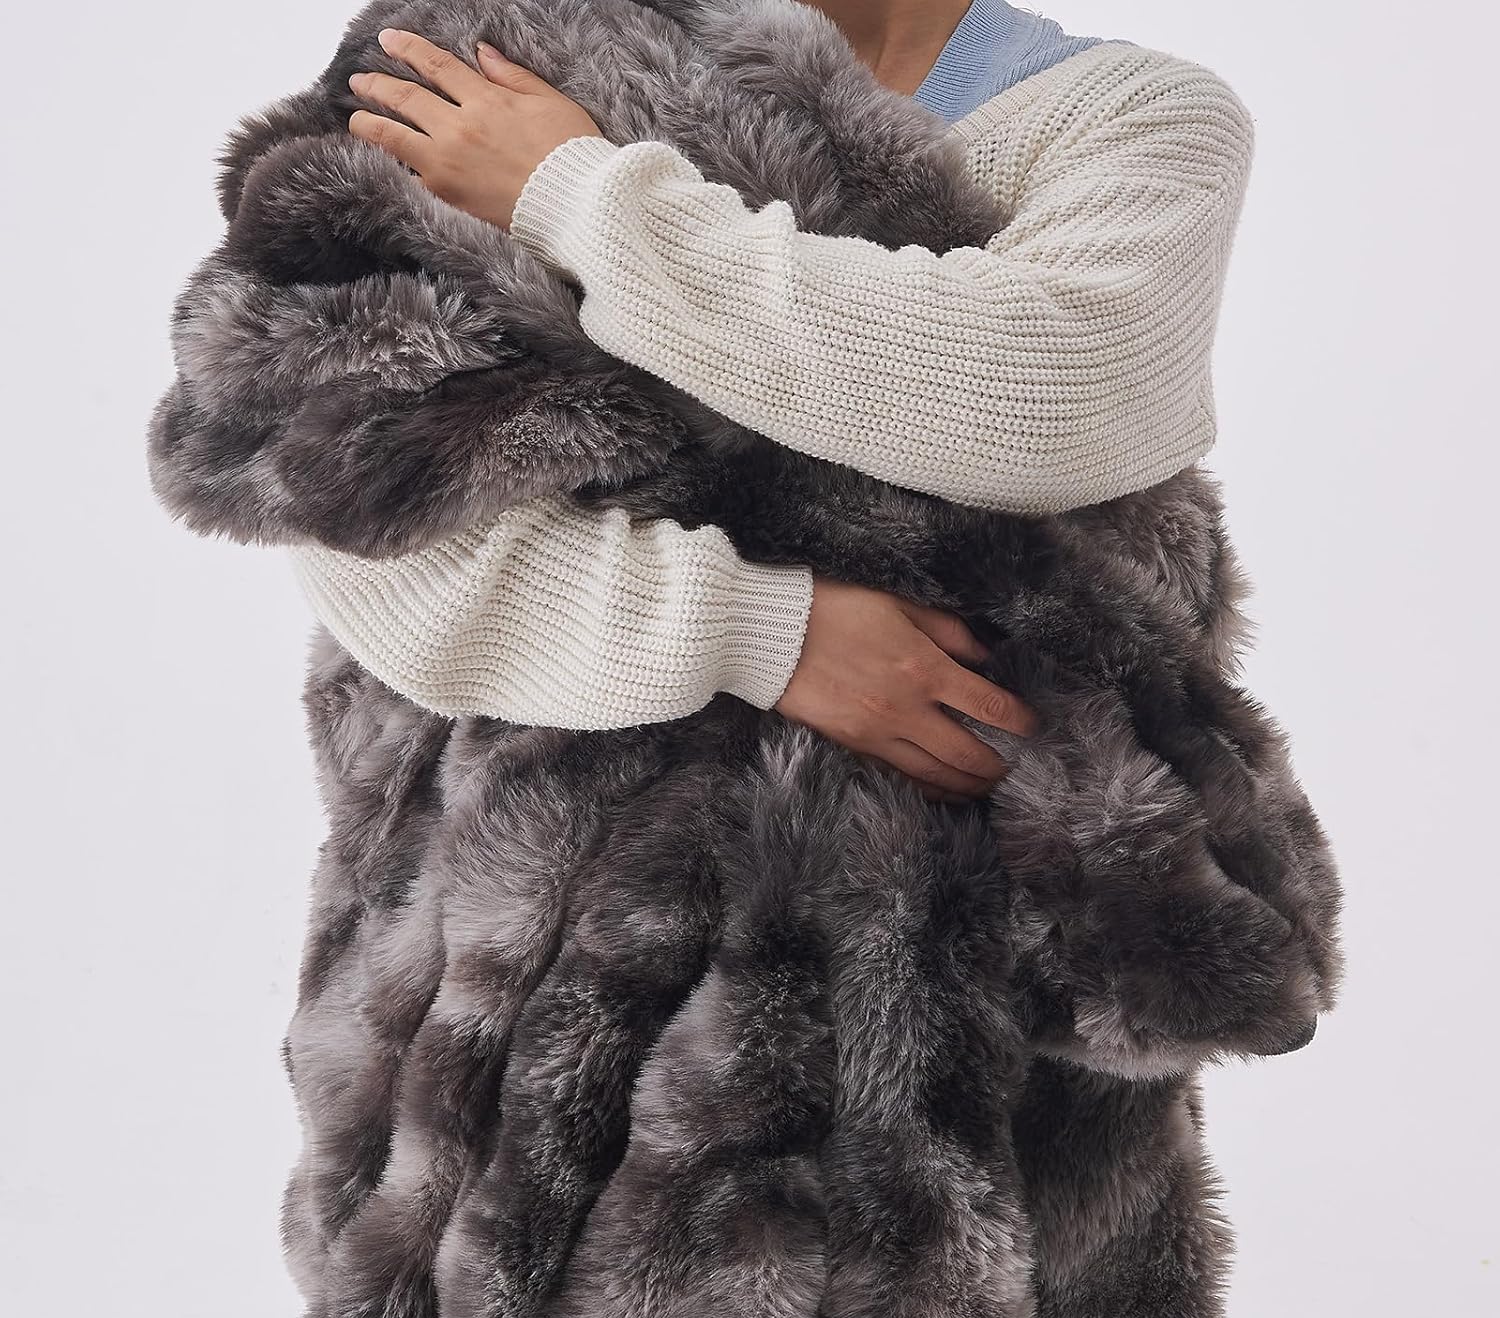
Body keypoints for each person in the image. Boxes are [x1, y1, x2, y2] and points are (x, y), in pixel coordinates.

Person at [288, 0, 1252, 803]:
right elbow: (340, 492)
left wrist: (579, 195)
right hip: (550, 888)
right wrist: (756, 629)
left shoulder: (1134, 114)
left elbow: (1058, 397)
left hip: (1008, 886)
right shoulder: (508, 43)